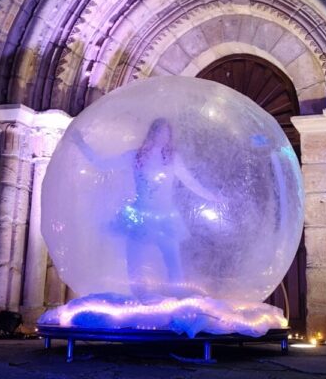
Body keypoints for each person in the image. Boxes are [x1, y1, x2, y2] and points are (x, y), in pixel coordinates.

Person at [71, 118, 221, 299]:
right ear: (152, 133)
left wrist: (213, 197)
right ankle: (140, 297)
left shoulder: (172, 159)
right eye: (160, 132)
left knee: (173, 261)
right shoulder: (136, 156)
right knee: (135, 260)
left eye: (167, 133)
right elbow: (102, 164)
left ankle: (178, 298)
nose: (163, 136)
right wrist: (81, 143)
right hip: (140, 216)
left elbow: (190, 182)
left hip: (165, 217)